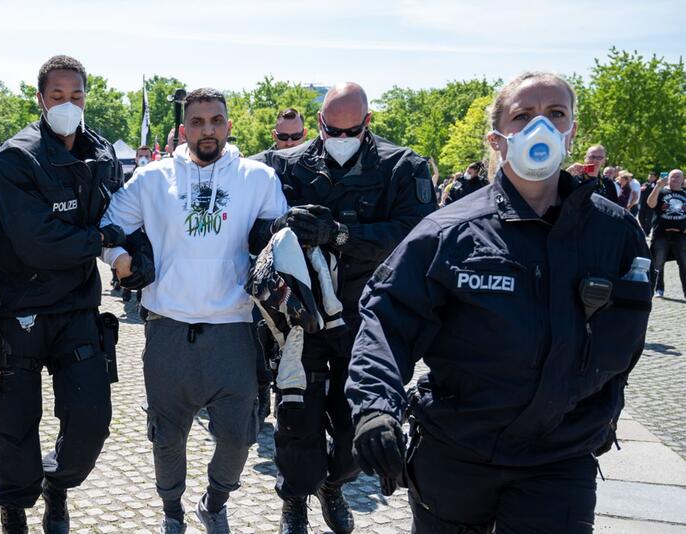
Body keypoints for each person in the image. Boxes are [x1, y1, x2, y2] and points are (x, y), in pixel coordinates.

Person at [347, 71, 652, 534]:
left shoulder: (616, 233)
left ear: (571, 132)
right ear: (497, 138)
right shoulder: (449, 233)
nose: (540, 128)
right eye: (523, 116)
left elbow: (626, 337)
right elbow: (387, 320)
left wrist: (603, 410)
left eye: (556, 114)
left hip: (560, 456)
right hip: (457, 451)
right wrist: (374, 407)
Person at [251, 82, 436, 534]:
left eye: (350, 129)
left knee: (358, 421)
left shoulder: (401, 166)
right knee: (297, 418)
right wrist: (281, 227)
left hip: (367, 317)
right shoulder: (283, 165)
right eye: (333, 128)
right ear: (319, 123)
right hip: (302, 317)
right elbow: (252, 224)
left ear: (368, 123)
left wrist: (342, 236)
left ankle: (333, 484)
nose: (341, 136)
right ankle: (295, 497)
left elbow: (418, 233)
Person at [102, 87, 288, 534]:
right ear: (184, 128)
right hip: (168, 329)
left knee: (238, 436)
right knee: (167, 437)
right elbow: (108, 227)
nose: (209, 129)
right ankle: (171, 511)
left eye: (217, 120)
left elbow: (280, 244)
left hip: (233, 329)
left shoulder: (258, 178)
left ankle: (216, 500)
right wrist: (118, 260)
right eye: (199, 122)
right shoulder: (151, 179)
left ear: (228, 124)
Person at [0, 55, 123, 534]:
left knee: (91, 421)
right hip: (18, 310)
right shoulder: (15, 158)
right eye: (58, 96)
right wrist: (103, 243)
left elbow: (121, 213)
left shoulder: (101, 153)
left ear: (87, 97)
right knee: (15, 425)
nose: (68, 104)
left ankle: (57, 485)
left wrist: (134, 254)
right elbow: (37, 242)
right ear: (40, 99)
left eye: (77, 95)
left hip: (77, 308)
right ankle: (15, 508)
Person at [647, 169, 686, 298]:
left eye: (678, 177)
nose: (675, 179)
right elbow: (650, 204)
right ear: (668, 179)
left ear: (682, 179)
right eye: (672, 177)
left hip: (681, 235)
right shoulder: (661, 191)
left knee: (684, 264)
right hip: (661, 234)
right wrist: (658, 186)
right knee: (658, 263)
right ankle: (659, 289)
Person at [640, 171, 660, 236]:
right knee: (641, 217)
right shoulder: (645, 184)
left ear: (655, 177)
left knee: (649, 218)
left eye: (651, 176)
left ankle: (647, 232)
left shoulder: (656, 184)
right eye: (649, 176)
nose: (650, 177)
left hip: (651, 204)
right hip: (643, 203)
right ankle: (644, 228)